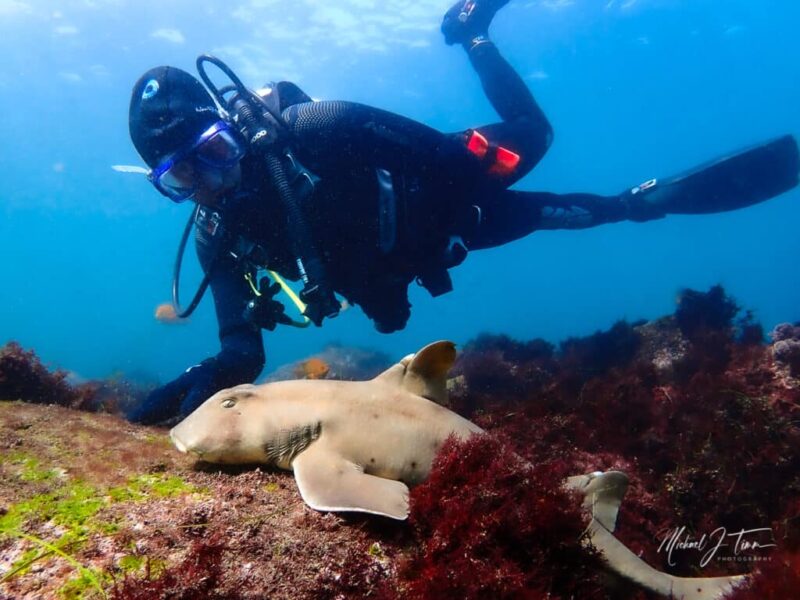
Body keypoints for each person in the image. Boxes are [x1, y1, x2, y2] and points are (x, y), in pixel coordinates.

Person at [127, 0, 799, 424]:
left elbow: (438, 159)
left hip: (452, 196)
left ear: (231, 127)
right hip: (420, 249)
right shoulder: (219, 233)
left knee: (536, 137)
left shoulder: (320, 127)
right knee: (597, 213)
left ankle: (471, 30)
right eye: (182, 174)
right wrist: (209, 374)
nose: (210, 181)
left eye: (212, 150)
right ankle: (635, 205)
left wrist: (442, 235)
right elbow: (241, 347)